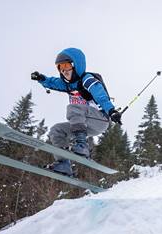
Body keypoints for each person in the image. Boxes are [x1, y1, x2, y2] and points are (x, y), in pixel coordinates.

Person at [31, 48, 122, 176]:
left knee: (73, 107)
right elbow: (53, 82)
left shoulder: (87, 79)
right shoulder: (67, 84)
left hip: (99, 119)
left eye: (67, 65)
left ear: (76, 65)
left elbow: (100, 94)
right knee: (56, 130)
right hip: (84, 125)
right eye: (60, 67)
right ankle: (63, 164)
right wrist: (41, 78)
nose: (64, 70)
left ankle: (82, 145)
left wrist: (111, 111)